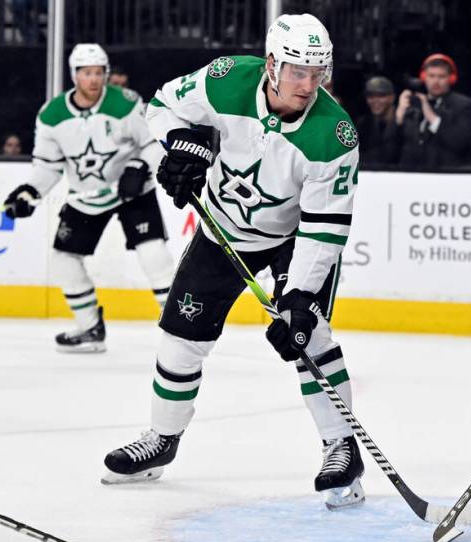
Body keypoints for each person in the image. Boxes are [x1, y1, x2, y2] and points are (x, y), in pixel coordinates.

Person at [100, 14, 366, 511]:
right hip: (221, 231)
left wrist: (300, 298)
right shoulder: (226, 80)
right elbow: (160, 105)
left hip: (292, 241)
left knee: (310, 337)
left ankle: (341, 448)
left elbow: (324, 226)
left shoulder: (335, 136)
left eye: (318, 72)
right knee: (181, 337)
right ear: (270, 64)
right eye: (296, 71)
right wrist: (182, 145)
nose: (308, 84)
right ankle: (162, 439)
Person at [3, 43, 173, 353]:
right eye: (86, 73)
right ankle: (89, 327)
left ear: (106, 74)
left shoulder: (126, 102)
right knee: (63, 260)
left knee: (153, 252)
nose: (93, 80)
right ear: (74, 75)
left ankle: (178, 323)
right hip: (86, 197)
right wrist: (30, 192)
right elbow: (47, 166)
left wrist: (140, 167)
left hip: (133, 191)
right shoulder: (51, 115)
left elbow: (152, 143)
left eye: (98, 73)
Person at [396, 53, 471, 168]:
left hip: (446, 177)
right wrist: (399, 118)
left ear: (451, 79)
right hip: (411, 176)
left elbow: (460, 143)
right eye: (431, 76)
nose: (436, 81)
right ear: (423, 77)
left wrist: (432, 118)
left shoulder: (464, 105)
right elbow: (394, 148)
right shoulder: (414, 103)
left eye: (441, 76)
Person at [355, 75, 399, 166]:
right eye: (371, 96)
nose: (375, 101)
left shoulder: (403, 121)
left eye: (381, 96)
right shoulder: (363, 124)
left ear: (392, 97)